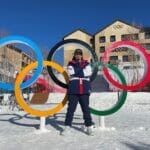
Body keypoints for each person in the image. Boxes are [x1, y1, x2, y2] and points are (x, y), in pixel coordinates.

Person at [61, 48, 93, 135]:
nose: (78, 55)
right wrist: (82, 71)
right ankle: (67, 126)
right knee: (71, 109)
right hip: (74, 89)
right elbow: (71, 72)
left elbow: (89, 72)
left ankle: (89, 126)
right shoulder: (71, 63)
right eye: (76, 54)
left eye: (80, 54)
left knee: (86, 109)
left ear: (82, 55)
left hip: (84, 89)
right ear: (74, 55)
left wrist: (78, 72)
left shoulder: (87, 63)